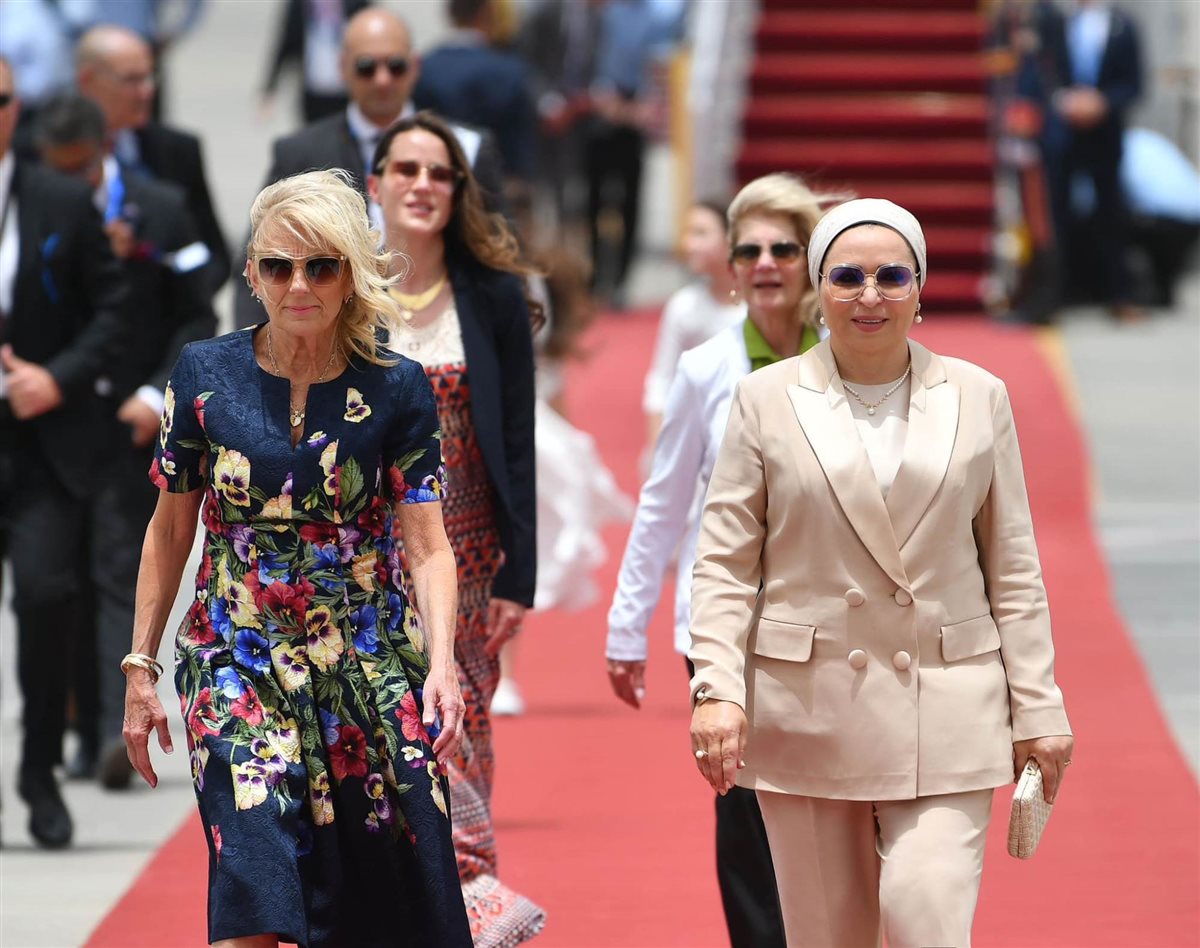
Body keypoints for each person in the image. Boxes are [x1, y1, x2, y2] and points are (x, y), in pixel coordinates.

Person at [688, 198, 1075, 948]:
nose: (870, 295)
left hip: (949, 703)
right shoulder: (764, 399)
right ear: (818, 289)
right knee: (828, 937)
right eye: (848, 277)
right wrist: (718, 690)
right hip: (809, 711)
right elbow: (726, 565)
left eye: (892, 276)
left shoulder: (979, 395)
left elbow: (1014, 567)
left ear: (919, 288)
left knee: (925, 919)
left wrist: (1040, 708)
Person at [121, 168, 472, 947]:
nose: (299, 285)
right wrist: (141, 666)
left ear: (352, 274)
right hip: (233, 655)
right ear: (252, 275)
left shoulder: (398, 388)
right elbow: (170, 528)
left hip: (365, 654)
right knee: (252, 875)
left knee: (385, 890)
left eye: (321, 266)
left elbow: (428, 546)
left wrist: (443, 664)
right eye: (278, 267)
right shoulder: (203, 375)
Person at [607, 173, 829, 948]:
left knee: (832, 801)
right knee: (744, 803)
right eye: (749, 251)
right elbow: (664, 501)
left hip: (834, 620)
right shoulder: (706, 367)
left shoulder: (850, 355)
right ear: (730, 267)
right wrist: (627, 627)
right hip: (723, 622)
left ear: (811, 261)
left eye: (783, 250)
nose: (765, 264)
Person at [368, 111, 545, 945]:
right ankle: (414, 903)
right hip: (366, 554)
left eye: (440, 173)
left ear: (459, 190)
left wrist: (520, 573)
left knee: (457, 724)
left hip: (470, 551)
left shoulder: (493, 296)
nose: (423, 185)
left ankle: (470, 893)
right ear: (375, 184)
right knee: (376, 735)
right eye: (406, 169)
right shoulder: (343, 291)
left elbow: (518, 439)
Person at [34, 91, 217, 788]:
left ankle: (117, 721)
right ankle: (79, 733)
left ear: (103, 153)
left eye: (79, 169)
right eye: (57, 170)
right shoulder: (31, 208)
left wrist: (155, 394)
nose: (69, 183)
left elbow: (196, 311)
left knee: (118, 568)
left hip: (134, 422)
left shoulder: (159, 206)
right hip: (52, 425)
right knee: (59, 581)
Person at [0, 56, 128, 848]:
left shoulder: (57, 197)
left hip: (39, 445)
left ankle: (40, 766)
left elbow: (113, 309)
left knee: (48, 599)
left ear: (17, 109)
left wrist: (59, 377)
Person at [235, 6, 507, 330]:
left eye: (396, 66)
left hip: (442, 332)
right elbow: (259, 256)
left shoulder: (464, 149)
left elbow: (500, 257)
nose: (382, 79)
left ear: (415, 67)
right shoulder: (300, 153)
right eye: (366, 67)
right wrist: (255, 346)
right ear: (342, 67)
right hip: (333, 341)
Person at [75, 25, 231, 296]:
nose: (147, 91)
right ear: (88, 81)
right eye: (132, 79)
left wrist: (185, 297)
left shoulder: (178, 150)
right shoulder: (47, 152)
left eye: (150, 77)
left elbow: (212, 253)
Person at [641, 198, 741, 454]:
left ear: (731, 239)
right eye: (687, 234)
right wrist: (658, 447)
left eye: (700, 233)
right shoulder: (684, 306)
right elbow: (662, 380)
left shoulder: (760, 308)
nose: (688, 244)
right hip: (697, 438)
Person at [414, 0, 538, 193]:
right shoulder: (509, 71)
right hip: (494, 188)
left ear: (451, 13)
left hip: (433, 181)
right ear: (487, 13)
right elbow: (518, 143)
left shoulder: (423, 68)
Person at [259, 0, 370, 124]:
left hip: (347, 92)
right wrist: (270, 88)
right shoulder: (300, 5)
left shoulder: (356, 3)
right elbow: (286, 43)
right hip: (313, 91)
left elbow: (372, 40)